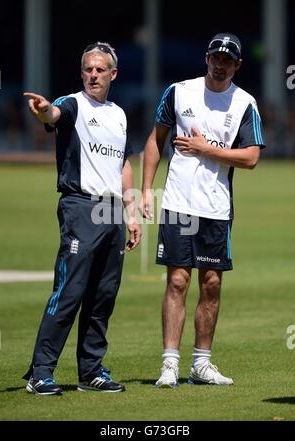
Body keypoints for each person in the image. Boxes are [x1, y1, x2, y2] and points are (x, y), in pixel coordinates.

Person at [140, 33, 265, 388]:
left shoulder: (245, 103)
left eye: (228, 59)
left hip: (216, 208)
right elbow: (155, 140)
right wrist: (146, 190)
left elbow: (252, 157)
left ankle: (201, 363)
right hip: (178, 202)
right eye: (216, 57)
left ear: (237, 65)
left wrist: (205, 149)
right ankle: (169, 363)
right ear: (206, 58)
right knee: (177, 280)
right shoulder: (179, 92)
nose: (220, 63)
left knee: (210, 284)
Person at [23, 42, 141, 395]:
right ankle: (40, 373)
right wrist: (44, 110)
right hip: (80, 206)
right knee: (70, 291)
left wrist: (132, 214)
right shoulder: (72, 103)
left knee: (103, 295)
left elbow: (124, 163)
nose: (93, 74)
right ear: (82, 73)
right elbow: (53, 116)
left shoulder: (119, 114)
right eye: (88, 69)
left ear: (112, 74)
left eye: (100, 69)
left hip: (113, 211)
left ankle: (91, 371)